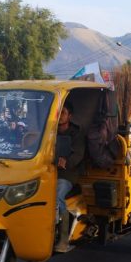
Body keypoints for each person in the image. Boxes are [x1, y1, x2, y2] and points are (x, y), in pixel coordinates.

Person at [54, 100, 85, 253]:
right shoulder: (50, 132)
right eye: (59, 112)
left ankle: (63, 239)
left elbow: (78, 155)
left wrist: (66, 162)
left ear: (70, 116)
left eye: (64, 113)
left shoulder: (77, 134)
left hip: (68, 174)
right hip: (48, 172)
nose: (60, 116)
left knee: (57, 197)